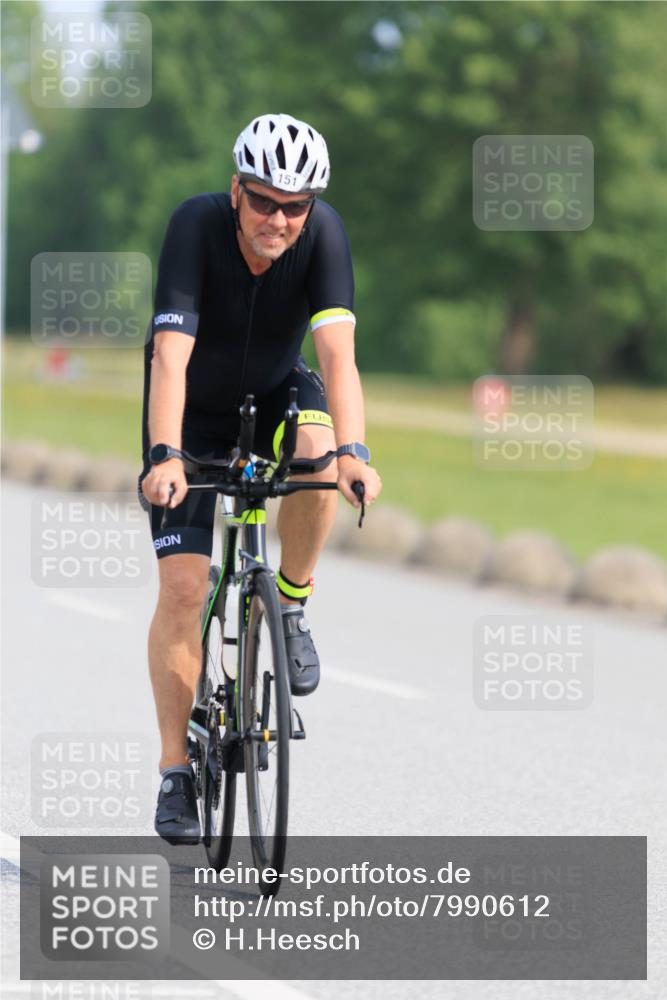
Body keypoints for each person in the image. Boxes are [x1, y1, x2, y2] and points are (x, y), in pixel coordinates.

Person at [140, 113, 382, 842]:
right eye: (263, 200)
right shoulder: (195, 226)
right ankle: (176, 772)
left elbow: (338, 357)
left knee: (319, 442)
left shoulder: (324, 233)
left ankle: (292, 602)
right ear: (236, 190)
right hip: (190, 411)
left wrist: (356, 453)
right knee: (184, 587)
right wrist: (162, 456)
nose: (279, 218)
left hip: (277, 389)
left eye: (294, 205)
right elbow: (169, 358)